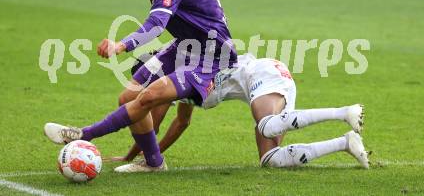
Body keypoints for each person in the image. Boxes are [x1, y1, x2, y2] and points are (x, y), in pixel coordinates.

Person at [44, 0, 237, 172]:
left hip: (212, 58)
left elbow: (157, 25)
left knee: (149, 95)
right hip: (185, 48)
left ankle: (83, 134)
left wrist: (121, 45)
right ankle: (154, 163)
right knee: (128, 97)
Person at [111, 53, 369, 171]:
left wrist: (135, 158)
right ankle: (345, 142)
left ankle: (345, 111)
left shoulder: (177, 75)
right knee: (271, 160)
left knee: (267, 125)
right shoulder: (180, 85)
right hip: (265, 85)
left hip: (264, 74)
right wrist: (135, 156)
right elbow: (181, 123)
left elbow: (150, 125)